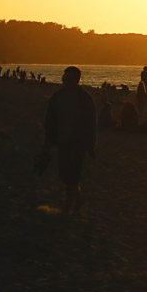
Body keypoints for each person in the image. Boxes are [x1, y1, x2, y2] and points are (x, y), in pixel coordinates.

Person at [41, 66, 97, 217]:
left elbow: (91, 124)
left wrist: (90, 144)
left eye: (68, 79)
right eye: (64, 78)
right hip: (62, 140)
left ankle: (68, 205)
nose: (65, 81)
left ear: (76, 80)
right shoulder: (57, 97)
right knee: (64, 174)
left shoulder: (84, 99)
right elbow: (50, 120)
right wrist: (48, 141)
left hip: (78, 143)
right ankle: (78, 198)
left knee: (73, 174)